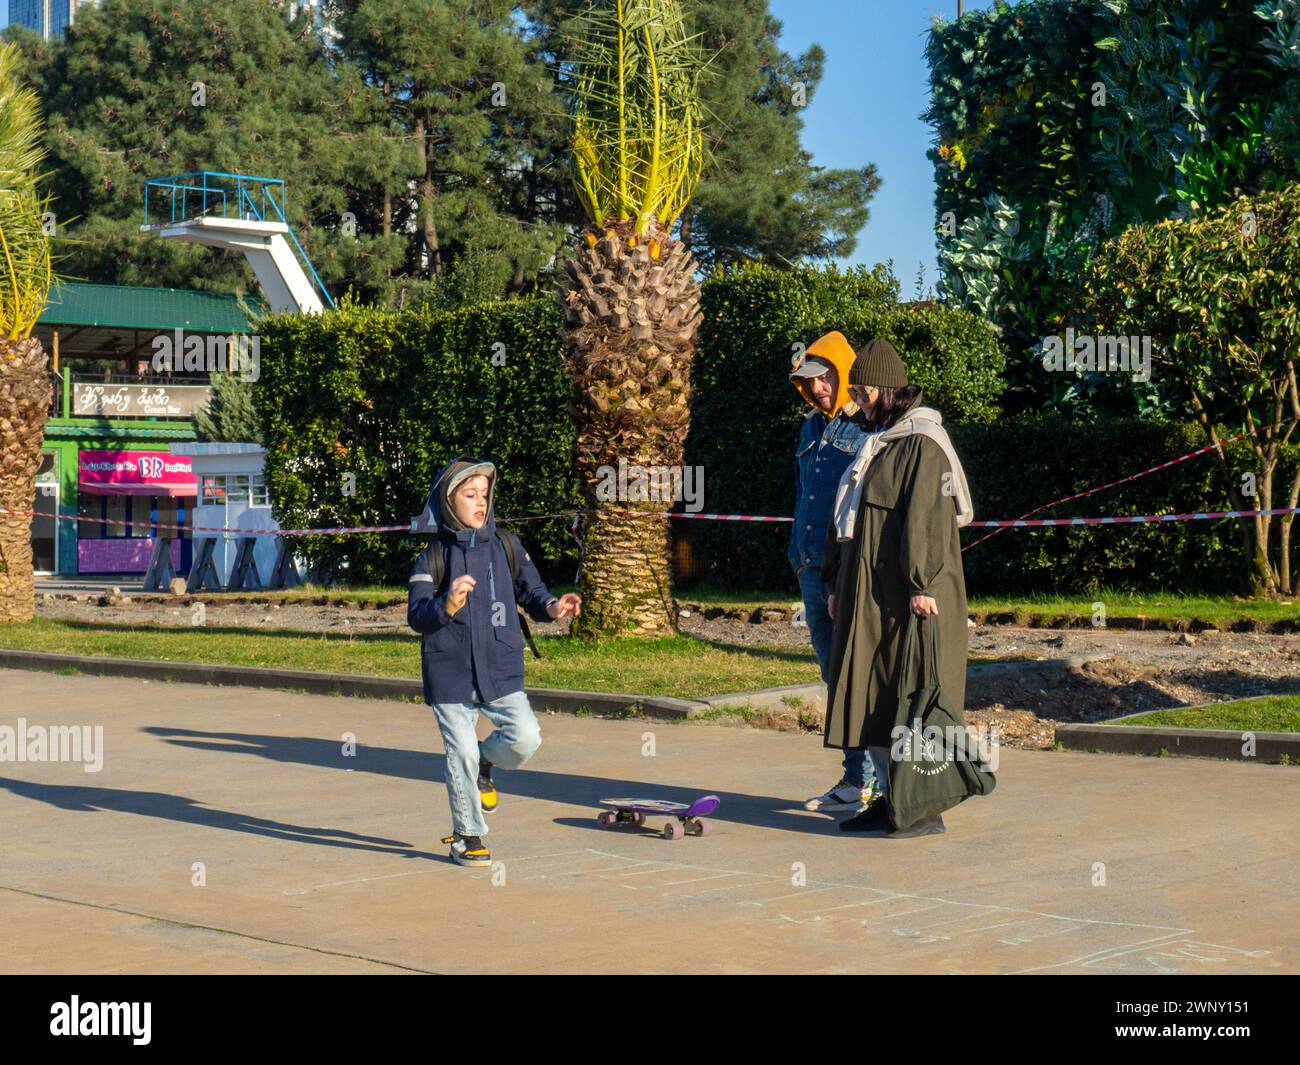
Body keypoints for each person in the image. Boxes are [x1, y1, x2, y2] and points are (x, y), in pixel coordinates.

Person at [821, 339, 974, 838]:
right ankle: (890, 801)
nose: (859, 404)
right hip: (869, 595)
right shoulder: (881, 441)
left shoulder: (923, 442)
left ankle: (922, 808)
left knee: (911, 695)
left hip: (910, 595)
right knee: (874, 698)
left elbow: (927, 516)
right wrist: (835, 580)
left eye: (864, 394)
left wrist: (922, 584)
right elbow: (849, 519)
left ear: (887, 389)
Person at [408, 457, 581, 866]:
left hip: (500, 668)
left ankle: (489, 761)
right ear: (448, 502)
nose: (480, 502)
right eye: (470, 495)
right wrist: (446, 603)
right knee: (460, 754)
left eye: (484, 494)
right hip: (449, 674)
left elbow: (533, 592)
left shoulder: (506, 545)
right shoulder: (430, 558)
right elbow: (417, 616)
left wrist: (554, 608)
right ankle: (467, 835)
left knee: (526, 738)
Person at [788, 330, 879, 813]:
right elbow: (804, 494)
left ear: (843, 374)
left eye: (825, 378)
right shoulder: (808, 428)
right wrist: (798, 554)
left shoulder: (866, 427)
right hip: (809, 565)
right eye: (809, 381)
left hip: (844, 570)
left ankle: (875, 779)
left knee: (857, 672)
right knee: (832, 673)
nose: (818, 388)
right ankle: (855, 778)